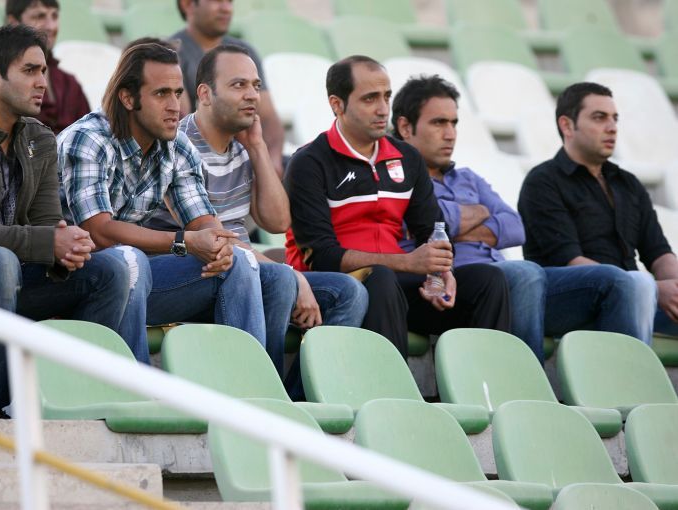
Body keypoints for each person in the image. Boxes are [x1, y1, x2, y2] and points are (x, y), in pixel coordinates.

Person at [0, 25, 138, 416]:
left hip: (3, 275)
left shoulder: (39, 138)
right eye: (30, 70)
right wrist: (47, 243)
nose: (42, 83)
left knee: (109, 270)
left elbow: (46, 225)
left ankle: (73, 397)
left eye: (44, 71)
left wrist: (67, 247)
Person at [392, 75, 655, 362]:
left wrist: (453, 224)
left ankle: (625, 381)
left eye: (454, 123)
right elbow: (431, 224)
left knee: (617, 280)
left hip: (510, 279)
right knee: (525, 272)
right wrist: (481, 212)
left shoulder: (468, 177)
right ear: (406, 127)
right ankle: (528, 379)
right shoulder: (396, 180)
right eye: (438, 123)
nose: (450, 134)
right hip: (459, 282)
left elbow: (515, 227)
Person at [144, 45, 367, 375]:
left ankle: (295, 395)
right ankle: (261, 385)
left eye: (256, 86)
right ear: (205, 94)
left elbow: (277, 221)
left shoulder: (243, 144)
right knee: (278, 277)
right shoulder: (178, 145)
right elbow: (213, 239)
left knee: (349, 293)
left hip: (243, 267)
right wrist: (293, 276)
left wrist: (258, 148)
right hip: (190, 270)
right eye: (239, 85)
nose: (252, 95)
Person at [57, 41, 278, 362]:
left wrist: (216, 243)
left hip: (135, 275)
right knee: (128, 260)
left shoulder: (177, 145)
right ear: (128, 98)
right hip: (71, 275)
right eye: (162, 94)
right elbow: (99, 231)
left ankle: (248, 384)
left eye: (177, 93)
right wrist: (184, 241)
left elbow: (203, 221)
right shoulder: (89, 138)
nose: (175, 105)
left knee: (240, 261)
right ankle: (136, 386)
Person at [285, 56, 511, 358]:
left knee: (488, 281)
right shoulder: (309, 162)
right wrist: (406, 263)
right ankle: (392, 385)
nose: (383, 109)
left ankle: (485, 380)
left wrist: (442, 272)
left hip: (393, 284)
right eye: (370, 99)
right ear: (337, 105)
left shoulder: (407, 157)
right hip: (335, 287)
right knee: (381, 277)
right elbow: (322, 257)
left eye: (386, 96)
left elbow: (432, 230)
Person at [519, 82, 669, 339]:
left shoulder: (628, 183)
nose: (612, 128)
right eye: (599, 118)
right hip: (573, 298)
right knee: (631, 282)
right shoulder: (543, 181)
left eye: (614, 119)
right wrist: (653, 289)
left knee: (637, 285)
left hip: (636, 293)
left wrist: (672, 285)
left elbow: (659, 252)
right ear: (567, 125)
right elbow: (571, 261)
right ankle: (630, 367)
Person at [168, 0, 286, 177]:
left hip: (247, 154)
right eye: (217, 1)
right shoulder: (172, 54)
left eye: (229, 1)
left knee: (300, 166)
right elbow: (179, 120)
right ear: (188, 5)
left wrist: (272, 160)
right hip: (200, 161)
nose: (226, 8)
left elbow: (269, 117)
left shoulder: (244, 53)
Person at [6, 0, 90, 133]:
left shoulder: (70, 83)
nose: (51, 26)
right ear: (13, 22)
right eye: (40, 16)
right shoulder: (3, 78)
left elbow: (89, 134)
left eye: (54, 16)